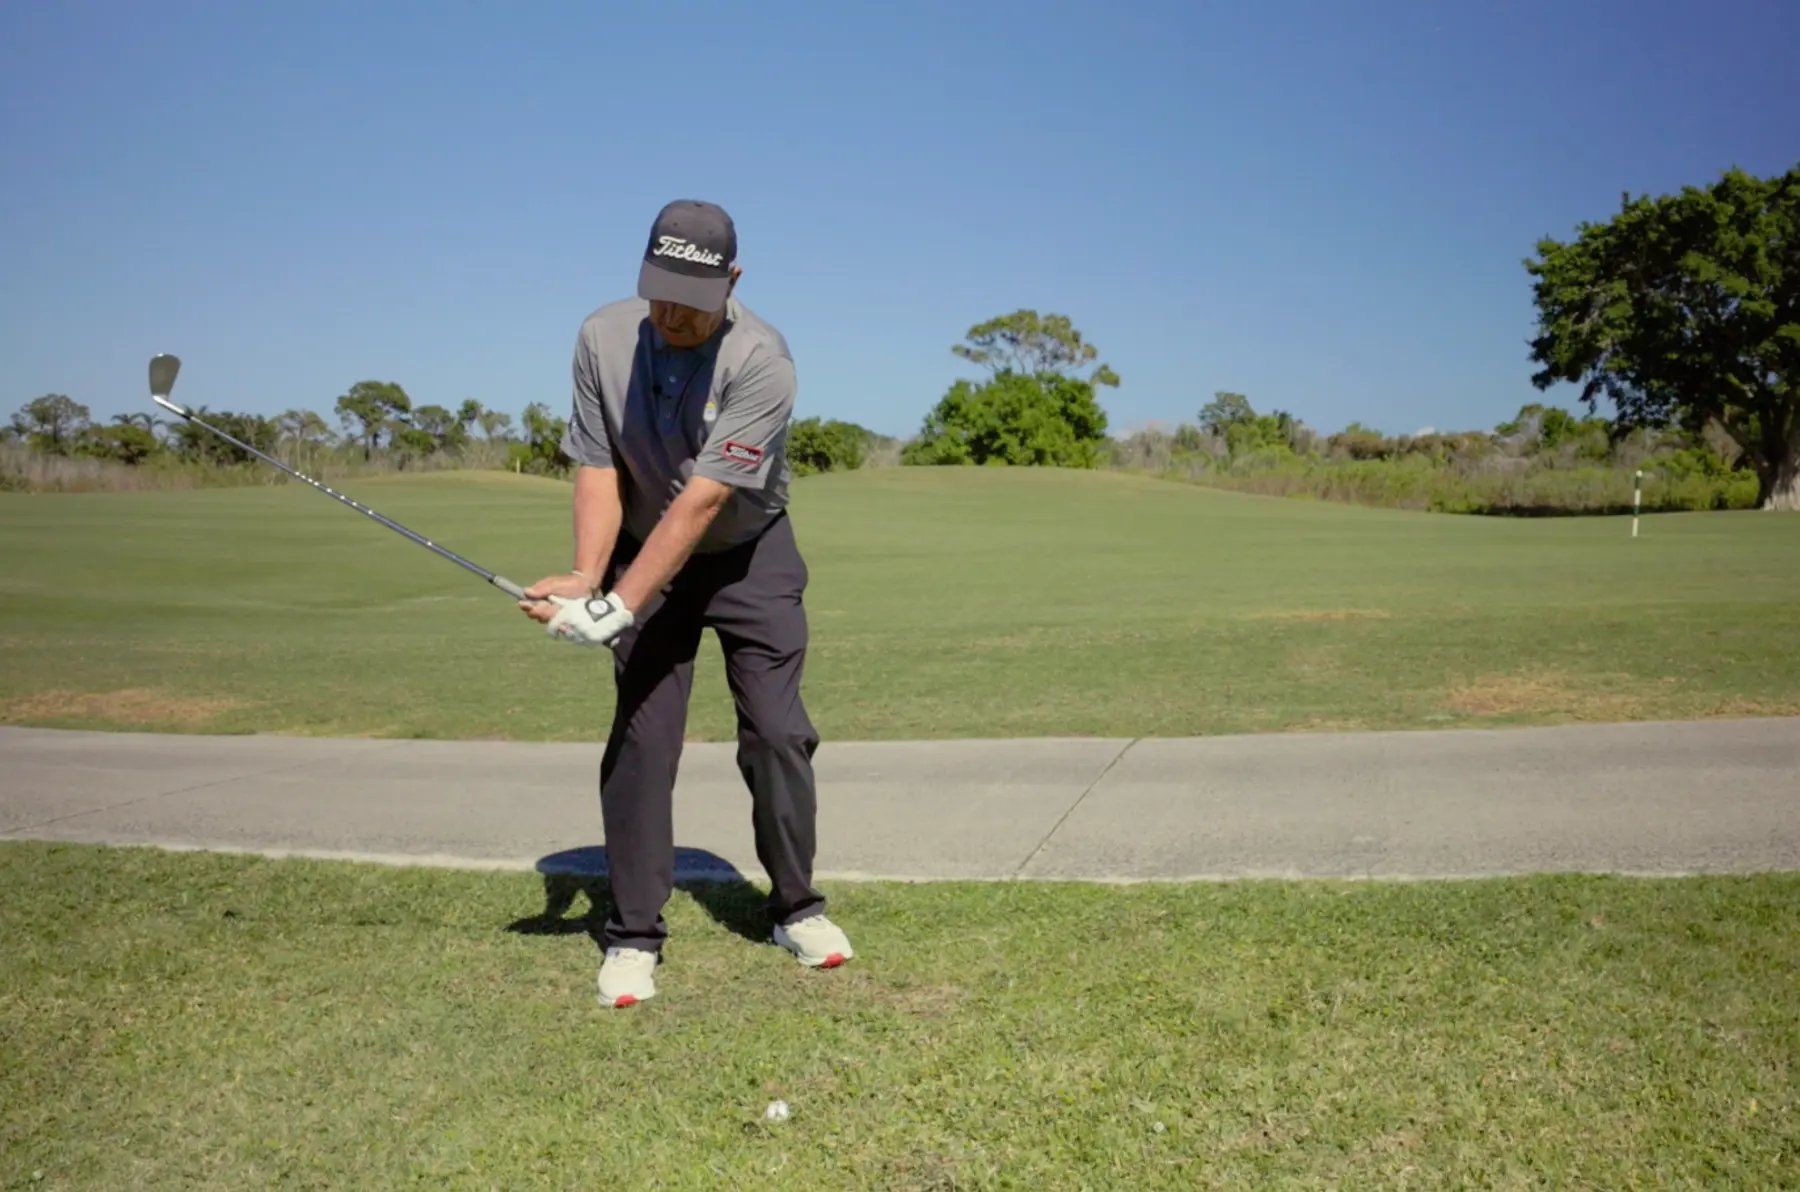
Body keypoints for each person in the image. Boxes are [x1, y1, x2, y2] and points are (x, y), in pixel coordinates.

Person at [518, 198, 852, 1008]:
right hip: (640, 547)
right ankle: (633, 936)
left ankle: (795, 907)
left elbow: (703, 502)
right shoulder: (602, 337)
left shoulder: (764, 360)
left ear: (731, 283)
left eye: (690, 301)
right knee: (643, 737)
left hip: (748, 556)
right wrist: (590, 576)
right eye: (657, 291)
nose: (669, 314)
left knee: (776, 732)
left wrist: (621, 603)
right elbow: (599, 465)